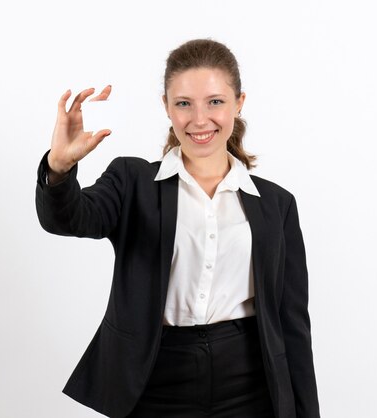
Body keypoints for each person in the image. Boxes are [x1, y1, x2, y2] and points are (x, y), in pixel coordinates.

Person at [35, 39, 320, 418]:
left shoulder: (276, 204)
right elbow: (68, 219)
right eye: (184, 103)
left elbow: (292, 323)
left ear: (239, 102)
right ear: (167, 107)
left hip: (250, 380)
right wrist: (59, 167)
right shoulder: (132, 181)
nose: (199, 120)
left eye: (215, 101)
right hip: (155, 376)